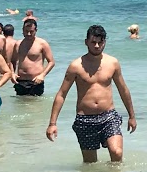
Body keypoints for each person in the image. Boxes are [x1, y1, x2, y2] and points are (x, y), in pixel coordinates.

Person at [46, 25, 137, 163]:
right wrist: (52, 123)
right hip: (85, 119)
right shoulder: (75, 66)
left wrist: (132, 116)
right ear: (86, 42)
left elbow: (123, 89)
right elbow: (61, 94)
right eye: (93, 42)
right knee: (90, 164)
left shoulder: (113, 63)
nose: (97, 46)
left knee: (116, 152)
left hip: (109, 116)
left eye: (100, 42)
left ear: (104, 42)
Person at [12, 16, 55, 96]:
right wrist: (12, 73)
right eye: (26, 31)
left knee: (36, 106)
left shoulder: (42, 43)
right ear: (22, 30)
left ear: (36, 31)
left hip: (36, 81)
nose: (28, 34)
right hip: (20, 81)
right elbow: (12, 61)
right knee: (20, 105)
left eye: (31, 31)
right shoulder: (18, 44)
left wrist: (42, 75)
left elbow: (51, 62)